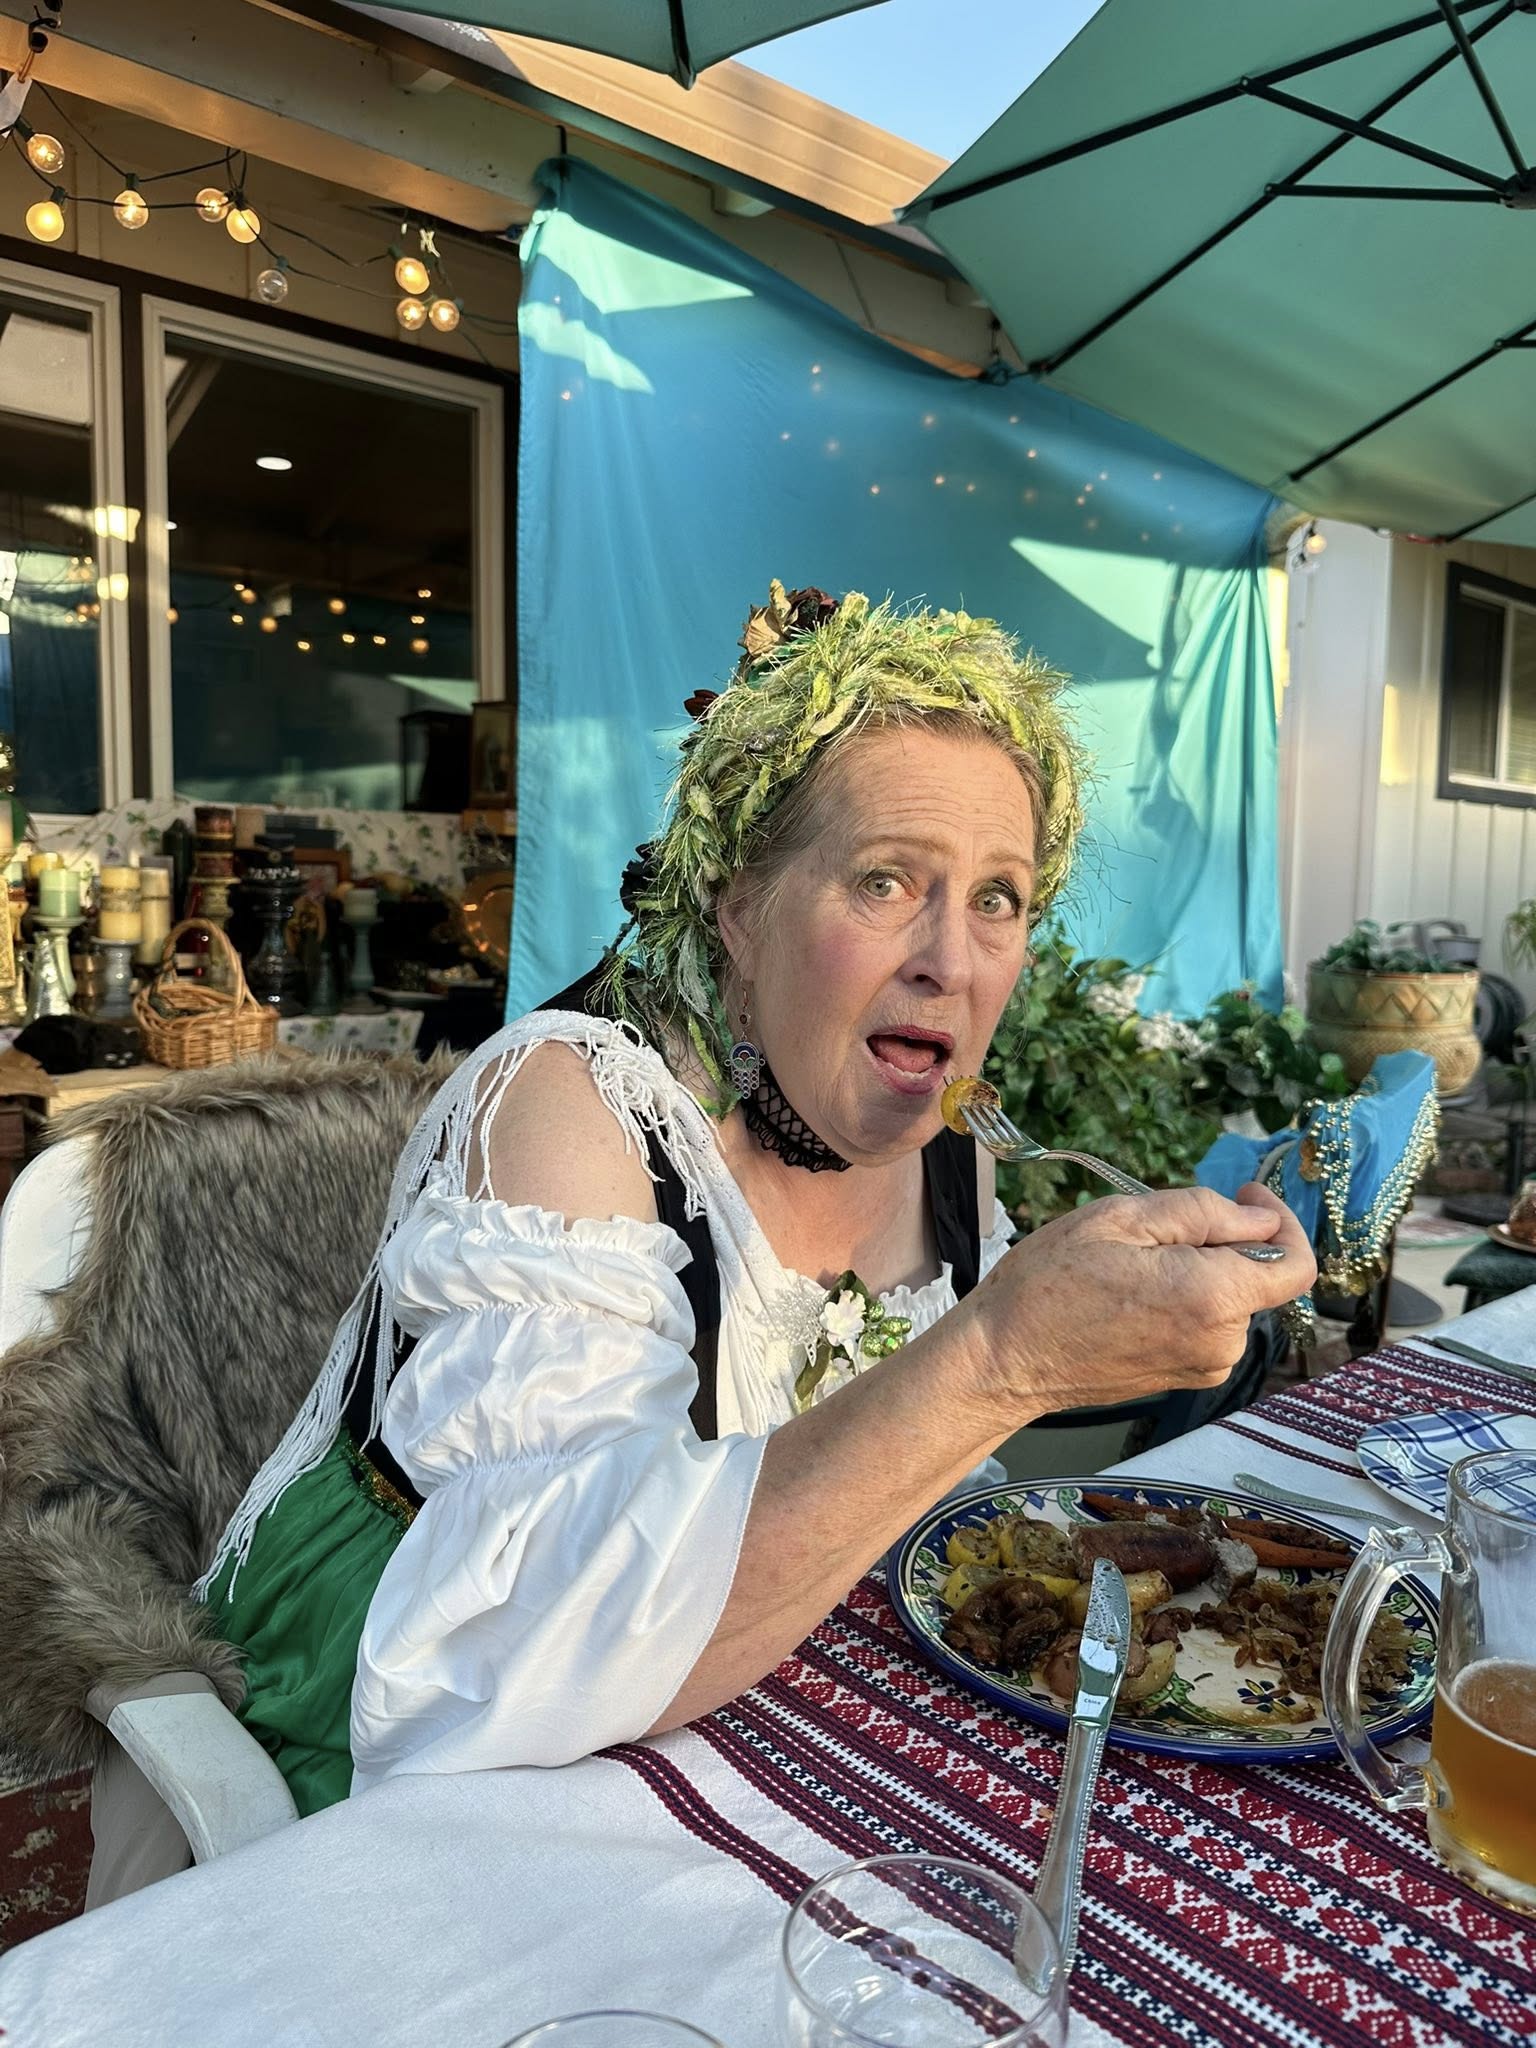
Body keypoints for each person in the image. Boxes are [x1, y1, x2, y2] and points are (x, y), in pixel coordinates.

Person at [196, 581, 1312, 1824]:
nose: (951, 958)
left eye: (997, 897)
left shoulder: (957, 1145)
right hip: (404, 1700)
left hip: (754, 1673)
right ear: (739, 905)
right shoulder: (574, 1109)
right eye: (886, 880)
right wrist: (1004, 1358)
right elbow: (517, 1655)